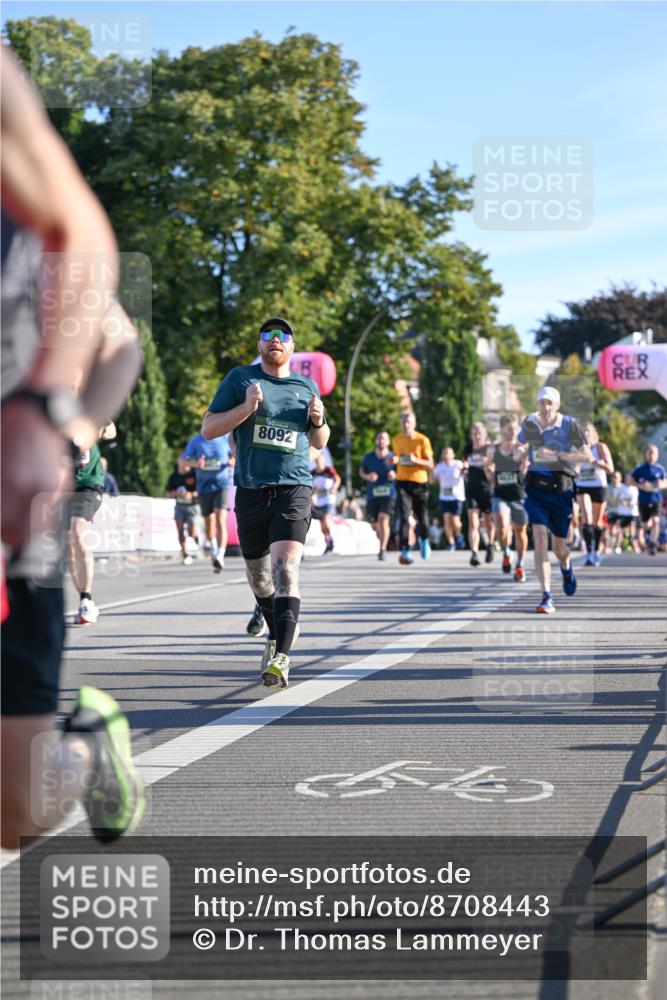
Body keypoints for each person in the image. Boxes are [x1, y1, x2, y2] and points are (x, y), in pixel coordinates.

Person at [1, 47, 143, 848]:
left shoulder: (38, 252)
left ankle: (87, 749)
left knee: (16, 816)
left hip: (13, 503)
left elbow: (120, 349)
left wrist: (55, 422)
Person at [202, 316, 329, 689]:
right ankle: (277, 632)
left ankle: (282, 658)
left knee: (286, 566)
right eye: (268, 335)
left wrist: (319, 421)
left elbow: (320, 441)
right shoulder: (240, 380)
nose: (275, 339)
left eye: (283, 335)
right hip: (251, 491)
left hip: (293, 489)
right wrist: (246, 408)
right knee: (259, 577)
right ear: (260, 344)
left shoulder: (306, 386)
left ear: (291, 347)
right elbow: (209, 428)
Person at [518, 386, 590, 614]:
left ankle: (566, 567)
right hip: (536, 488)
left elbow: (587, 455)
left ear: (557, 406)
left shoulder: (568, 424)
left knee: (560, 548)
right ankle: (546, 595)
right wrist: (518, 456)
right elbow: (519, 445)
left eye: (550, 403)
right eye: (542, 403)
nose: (545, 407)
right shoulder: (529, 422)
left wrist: (558, 456)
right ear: (537, 405)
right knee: (539, 538)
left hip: (561, 489)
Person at [67, 422, 117, 623]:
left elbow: (112, 430)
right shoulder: (50, 404)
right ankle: (83, 600)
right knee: (67, 543)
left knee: (77, 532)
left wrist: (100, 430)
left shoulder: (88, 405)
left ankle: (87, 598)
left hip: (89, 484)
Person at [485, 414, 529, 581]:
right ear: (502, 429)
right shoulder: (494, 449)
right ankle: (506, 552)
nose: (513, 432)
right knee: (502, 526)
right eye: (510, 429)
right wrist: (488, 472)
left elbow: (528, 462)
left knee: (520, 531)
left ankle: (520, 564)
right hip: (500, 494)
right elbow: (487, 465)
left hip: (518, 495)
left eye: (515, 429)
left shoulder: (520, 449)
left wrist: (526, 466)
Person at [182, 430, 233, 572]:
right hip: (204, 488)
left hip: (221, 485)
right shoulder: (196, 441)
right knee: (209, 523)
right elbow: (183, 462)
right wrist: (196, 463)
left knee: (220, 520)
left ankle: (220, 556)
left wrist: (232, 461)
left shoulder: (225, 440)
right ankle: (214, 550)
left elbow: (235, 457)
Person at [390, 412, 434, 565]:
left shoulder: (422, 440)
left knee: (421, 516)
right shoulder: (396, 440)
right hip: (402, 482)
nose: (406, 425)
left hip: (419, 483)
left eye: (408, 422)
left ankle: (424, 540)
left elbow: (430, 464)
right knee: (403, 517)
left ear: (414, 424)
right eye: (403, 422)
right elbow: (396, 457)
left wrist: (416, 460)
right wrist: (394, 460)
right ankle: (404, 550)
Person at [574, 422, 614, 566]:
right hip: (583, 485)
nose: (585, 434)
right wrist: (575, 468)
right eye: (582, 432)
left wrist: (594, 461)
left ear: (593, 434)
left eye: (587, 432)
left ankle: (596, 550)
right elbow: (573, 467)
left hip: (598, 486)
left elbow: (610, 468)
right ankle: (589, 552)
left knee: (597, 522)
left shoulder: (600, 447)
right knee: (586, 517)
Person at [359, 430, 397, 560]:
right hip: (373, 495)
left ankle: (382, 549)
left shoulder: (393, 457)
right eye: (379, 438)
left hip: (389, 494)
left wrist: (394, 475)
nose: (381, 440)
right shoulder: (369, 457)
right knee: (375, 525)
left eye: (384, 438)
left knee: (383, 519)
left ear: (388, 441)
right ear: (376, 441)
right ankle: (382, 539)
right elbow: (361, 471)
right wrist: (368, 476)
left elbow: (401, 473)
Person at [464, 422, 495, 566]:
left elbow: (495, 466)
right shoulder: (468, 449)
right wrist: (464, 471)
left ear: (484, 434)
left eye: (479, 433)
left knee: (489, 522)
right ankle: (474, 553)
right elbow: (466, 465)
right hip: (472, 489)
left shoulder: (489, 449)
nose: (477, 435)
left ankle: (490, 546)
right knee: (473, 522)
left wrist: (487, 464)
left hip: (487, 489)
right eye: (474, 432)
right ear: (471, 434)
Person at [630, 444, 667, 556]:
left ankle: (652, 544)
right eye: (649, 452)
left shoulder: (660, 469)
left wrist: (660, 485)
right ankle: (647, 536)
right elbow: (629, 480)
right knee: (646, 524)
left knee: (656, 520)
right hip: (643, 500)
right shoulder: (639, 469)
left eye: (653, 453)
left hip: (656, 500)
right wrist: (640, 485)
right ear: (646, 454)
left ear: (657, 455)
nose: (651, 455)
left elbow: (665, 482)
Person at [166, 458, 199, 565]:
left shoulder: (194, 474)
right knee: (180, 530)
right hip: (179, 506)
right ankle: (185, 553)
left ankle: (195, 536)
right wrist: (175, 493)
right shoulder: (173, 476)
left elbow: (200, 491)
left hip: (192, 507)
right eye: (182, 460)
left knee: (191, 532)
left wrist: (191, 494)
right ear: (178, 462)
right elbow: (168, 492)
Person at [431, 447, 465, 551]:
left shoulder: (458, 464)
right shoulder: (439, 467)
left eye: (448, 453)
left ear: (453, 455)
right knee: (446, 521)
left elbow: (464, 474)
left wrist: (464, 469)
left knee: (455, 521)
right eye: (444, 453)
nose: (446, 455)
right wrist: (430, 470)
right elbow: (432, 480)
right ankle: (451, 543)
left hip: (456, 496)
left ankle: (459, 535)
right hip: (444, 497)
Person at [311, 452, 341, 554]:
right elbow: (312, 488)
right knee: (321, 522)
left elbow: (337, 479)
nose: (319, 462)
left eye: (321, 460)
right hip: (319, 500)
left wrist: (334, 487)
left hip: (329, 499)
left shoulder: (328, 470)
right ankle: (328, 540)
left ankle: (330, 538)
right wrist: (312, 496)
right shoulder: (313, 473)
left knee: (325, 517)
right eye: (317, 460)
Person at [607, 471, 640, 554]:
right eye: (626, 478)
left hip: (632, 513)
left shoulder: (634, 489)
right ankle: (618, 546)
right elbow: (616, 498)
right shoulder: (620, 488)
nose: (627, 480)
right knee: (620, 530)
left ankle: (634, 547)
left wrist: (629, 503)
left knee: (632, 531)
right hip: (622, 513)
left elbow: (636, 501)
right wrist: (621, 502)